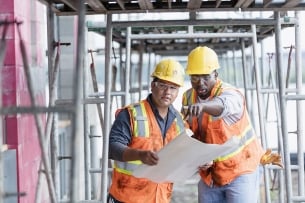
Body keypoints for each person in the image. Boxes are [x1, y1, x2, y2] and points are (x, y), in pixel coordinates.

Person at [182, 46, 265, 203]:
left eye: (206, 77)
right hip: (211, 175)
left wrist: (204, 106)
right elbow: (187, 129)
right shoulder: (188, 97)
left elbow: (223, 105)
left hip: (240, 170)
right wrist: (197, 154)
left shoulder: (230, 94)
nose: (200, 83)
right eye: (195, 77)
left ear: (216, 74)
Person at [108, 58, 187, 203]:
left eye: (173, 88)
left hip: (160, 197)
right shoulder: (131, 114)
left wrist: (200, 161)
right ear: (152, 85)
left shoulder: (180, 121)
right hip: (126, 197)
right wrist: (139, 154)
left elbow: (183, 154)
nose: (167, 92)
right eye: (162, 85)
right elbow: (112, 148)